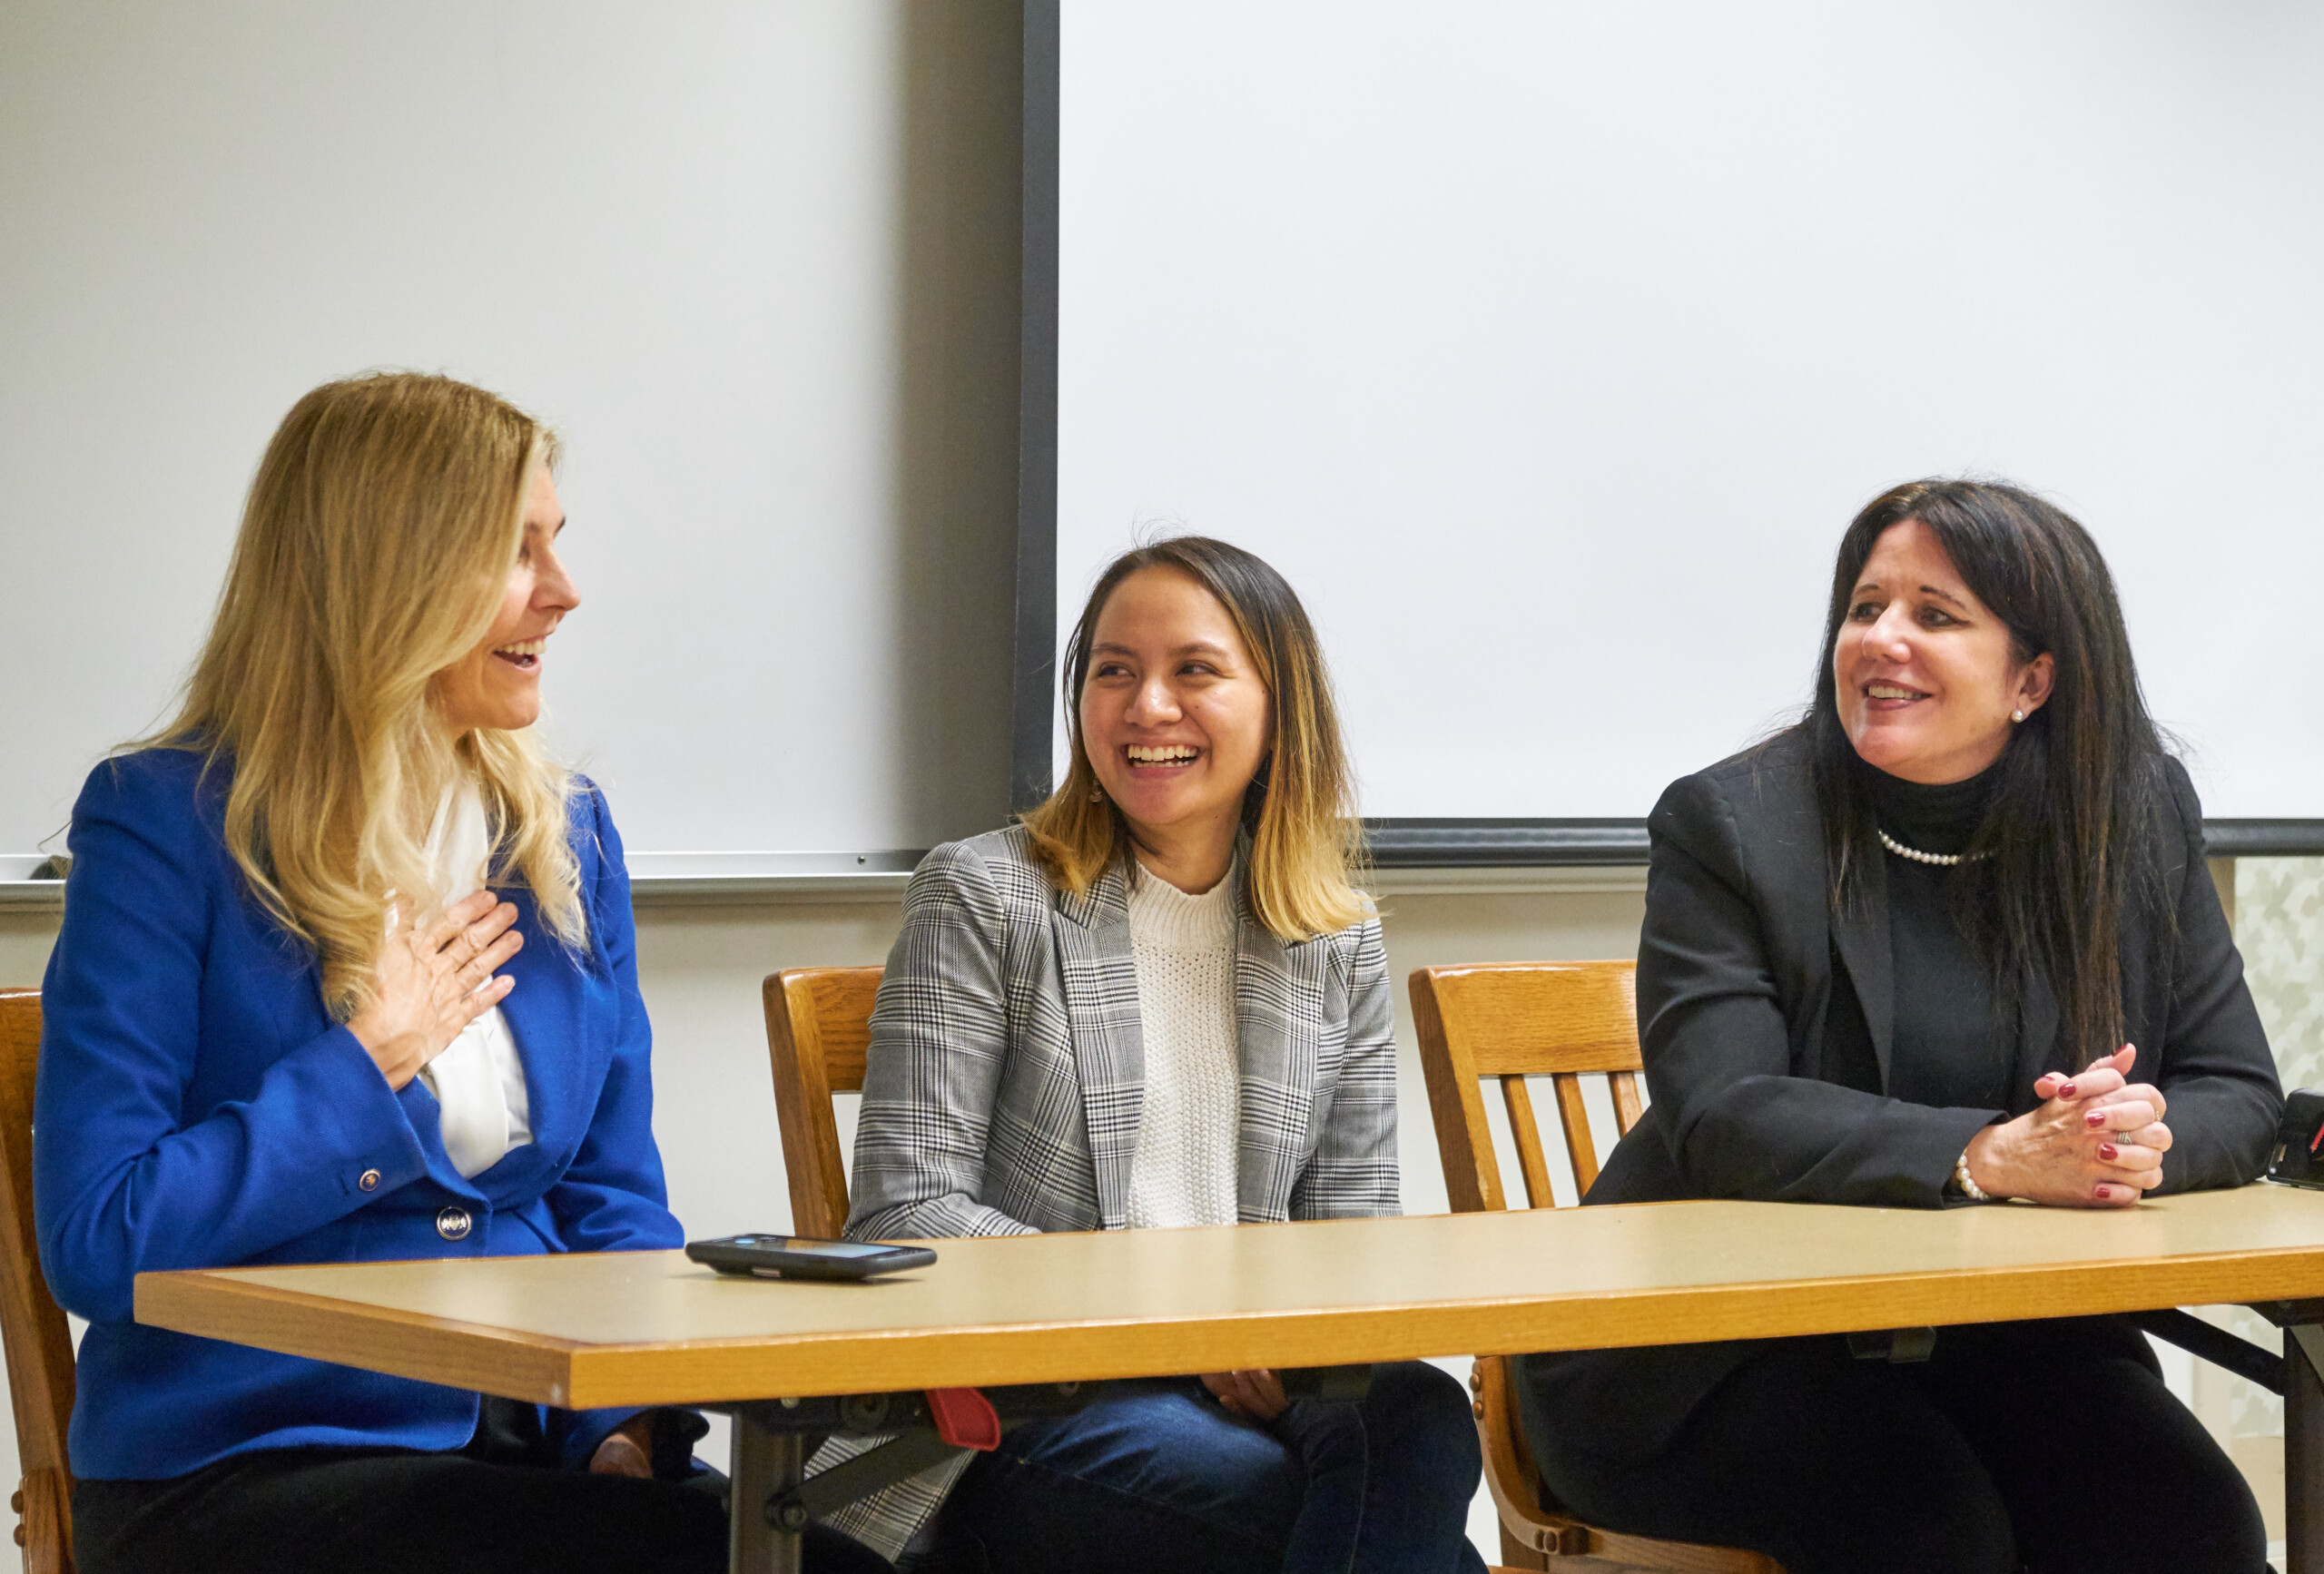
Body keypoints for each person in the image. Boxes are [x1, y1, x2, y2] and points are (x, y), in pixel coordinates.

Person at [36, 372, 886, 1574]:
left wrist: (621, 1423)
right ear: (392, 579)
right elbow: (99, 1238)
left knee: (827, 1561)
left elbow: (615, 1202)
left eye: (559, 544)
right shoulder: (166, 824)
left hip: (532, 1454)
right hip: (252, 1465)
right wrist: (365, 1064)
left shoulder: (565, 832)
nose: (566, 590)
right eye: (517, 550)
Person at [1516, 479, 2281, 1574]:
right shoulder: (1730, 824)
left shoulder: (2129, 812)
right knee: (1926, 1532)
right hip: (1709, 1354)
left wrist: (2131, 1144)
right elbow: (1726, 1113)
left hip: (2006, 1340)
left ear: (2033, 679)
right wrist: (1986, 1156)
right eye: (1865, 607)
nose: (1881, 640)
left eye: (1934, 614)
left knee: (2189, 1527)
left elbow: (2238, 1092)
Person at [835, 537, 1485, 1573]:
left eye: (1194, 670)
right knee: (1389, 1539)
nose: (1146, 708)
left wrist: (1285, 1335)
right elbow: (909, 1210)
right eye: (1112, 670)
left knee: (1421, 1410)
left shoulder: (1332, 934)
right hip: (1025, 1402)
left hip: (1258, 1388)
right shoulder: (983, 894)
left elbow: (1349, 1239)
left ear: (1281, 708)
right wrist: (1181, 1321)